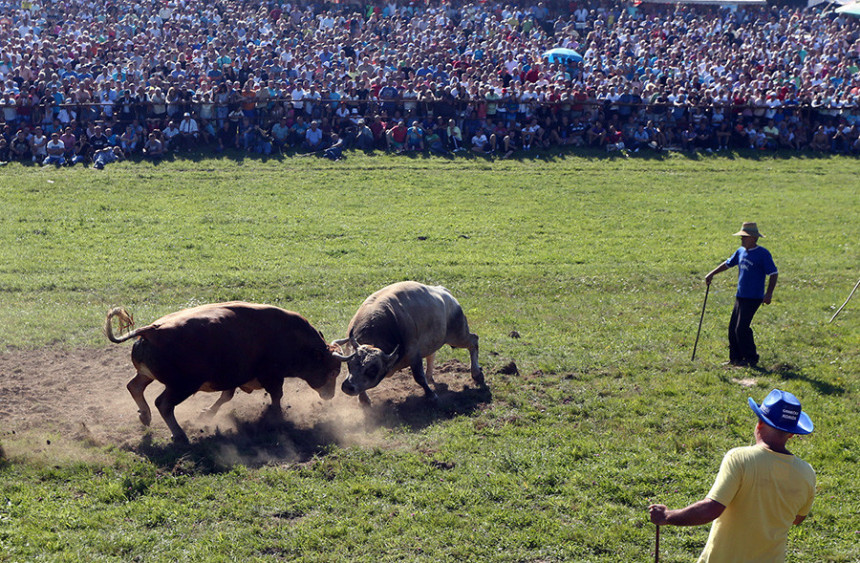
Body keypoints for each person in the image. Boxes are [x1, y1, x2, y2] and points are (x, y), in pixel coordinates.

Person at [649, 389, 815, 563]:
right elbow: (798, 518)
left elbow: (710, 510)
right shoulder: (807, 473)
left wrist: (667, 516)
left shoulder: (740, 458)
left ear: (759, 423)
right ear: (791, 434)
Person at [704, 222, 778, 367]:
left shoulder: (763, 254)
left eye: (744, 237)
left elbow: (773, 273)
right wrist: (711, 273)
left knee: (742, 328)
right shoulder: (740, 251)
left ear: (753, 238)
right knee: (733, 328)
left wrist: (768, 294)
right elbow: (728, 263)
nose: (741, 239)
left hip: (754, 297)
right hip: (741, 295)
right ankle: (735, 359)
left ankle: (751, 358)